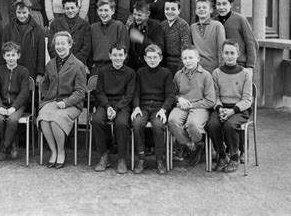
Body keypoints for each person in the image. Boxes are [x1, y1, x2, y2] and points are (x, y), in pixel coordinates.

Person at [37, 31, 86, 168]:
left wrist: (66, 102)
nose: (60, 47)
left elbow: (80, 91)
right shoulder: (51, 64)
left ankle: (61, 151)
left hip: (71, 104)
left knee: (55, 120)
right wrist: (46, 98)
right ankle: (53, 151)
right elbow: (44, 83)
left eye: (63, 43)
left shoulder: (78, 65)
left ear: (69, 45)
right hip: (52, 101)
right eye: (57, 44)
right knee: (43, 118)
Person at [207, 40, 253, 173]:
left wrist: (233, 111)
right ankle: (222, 155)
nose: (229, 56)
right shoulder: (216, 73)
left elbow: (247, 99)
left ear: (238, 54)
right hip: (221, 108)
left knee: (229, 125)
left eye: (232, 53)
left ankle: (234, 157)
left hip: (239, 109)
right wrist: (220, 108)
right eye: (226, 53)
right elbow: (214, 96)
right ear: (222, 54)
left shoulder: (245, 74)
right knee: (212, 124)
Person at [131, 44, 175, 175]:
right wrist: (136, 107)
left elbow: (170, 95)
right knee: (137, 123)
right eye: (149, 57)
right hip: (143, 106)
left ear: (160, 58)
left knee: (158, 125)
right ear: (144, 58)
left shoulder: (166, 73)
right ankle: (141, 158)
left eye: (155, 57)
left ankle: (159, 159)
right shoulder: (140, 72)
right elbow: (136, 92)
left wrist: (164, 109)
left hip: (159, 107)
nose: (152, 60)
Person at [168, 45, 215, 166]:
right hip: (182, 106)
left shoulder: (206, 75)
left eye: (190, 57)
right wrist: (179, 99)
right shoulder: (178, 74)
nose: (187, 61)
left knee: (192, 124)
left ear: (198, 58)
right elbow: (173, 94)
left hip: (199, 106)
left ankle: (197, 142)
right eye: (185, 58)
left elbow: (210, 101)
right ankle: (191, 145)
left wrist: (192, 105)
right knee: (172, 121)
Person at [92, 44, 135, 174]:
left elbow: (129, 95)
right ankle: (104, 155)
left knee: (121, 123)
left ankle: (122, 158)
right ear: (110, 56)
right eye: (115, 55)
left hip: (122, 105)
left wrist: (116, 108)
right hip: (106, 103)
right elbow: (99, 92)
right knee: (97, 120)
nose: (117, 58)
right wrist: (108, 106)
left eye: (120, 55)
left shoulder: (130, 73)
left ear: (125, 56)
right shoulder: (103, 71)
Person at [0, 42, 30, 160]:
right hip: (2, 104)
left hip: (17, 105)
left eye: (13, 55)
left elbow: (24, 92)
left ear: (18, 56)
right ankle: (12, 141)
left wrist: (14, 107)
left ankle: (3, 146)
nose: (11, 58)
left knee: (12, 120)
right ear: (4, 56)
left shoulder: (23, 71)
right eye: (8, 55)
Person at [2, 0, 45, 86]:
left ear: (29, 11)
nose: (21, 15)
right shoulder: (8, 28)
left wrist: (40, 73)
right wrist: (2, 70)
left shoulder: (38, 30)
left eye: (24, 12)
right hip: (12, 69)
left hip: (31, 70)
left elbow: (41, 53)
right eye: (19, 12)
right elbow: (3, 50)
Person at [214, 0, 258, 73]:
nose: (221, 7)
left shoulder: (240, 19)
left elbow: (251, 43)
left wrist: (250, 67)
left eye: (224, 4)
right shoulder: (214, 22)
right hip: (221, 67)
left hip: (240, 65)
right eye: (218, 4)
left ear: (230, 4)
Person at [89, 0, 129, 75]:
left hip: (114, 67)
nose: (103, 13)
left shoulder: (119, 26)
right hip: (96, 68)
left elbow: (124, 48)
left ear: (113, 11)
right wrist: (91, 66)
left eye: (106, 10)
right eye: (100, 10)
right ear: (97, 11)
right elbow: (89, 49)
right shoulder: (93, 27)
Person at [47, 0, 91, 65]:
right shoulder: (55, 24)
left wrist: (74, 62)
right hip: (59, 63)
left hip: (78, 64)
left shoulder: (85, 25)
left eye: (72, 8)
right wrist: (61, 60)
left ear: (77, 8)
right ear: (64, 9)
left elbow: (86, 47)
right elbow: (51, 46)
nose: (70, 10)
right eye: (67, 8)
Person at [191, 0, 225, 73]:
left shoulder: (217, 26)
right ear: (195, 11)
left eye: (204, 7)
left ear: (211, 10)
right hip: (197, 70)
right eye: (199, 8)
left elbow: (221, 49)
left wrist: (221, 70)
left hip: (214, 69)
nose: (201, 9)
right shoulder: (192, 27)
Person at [128, 0, 164, 70]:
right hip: (134, 68)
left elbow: (160, 48)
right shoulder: (132, 26)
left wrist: (142, 39)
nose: (136, 17)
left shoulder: (156, 26)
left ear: (148, 14)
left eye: (139, 15)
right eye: (134, 14)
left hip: (150, 68)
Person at [161, 0, 192, 77]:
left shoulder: (183, 25)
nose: (169, 12)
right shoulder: (162, 25)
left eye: (173, 9)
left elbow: (185, 49)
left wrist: (179, 71)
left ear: (179, 11)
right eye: (167, 9)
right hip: (163, 64)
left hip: (178, 65)